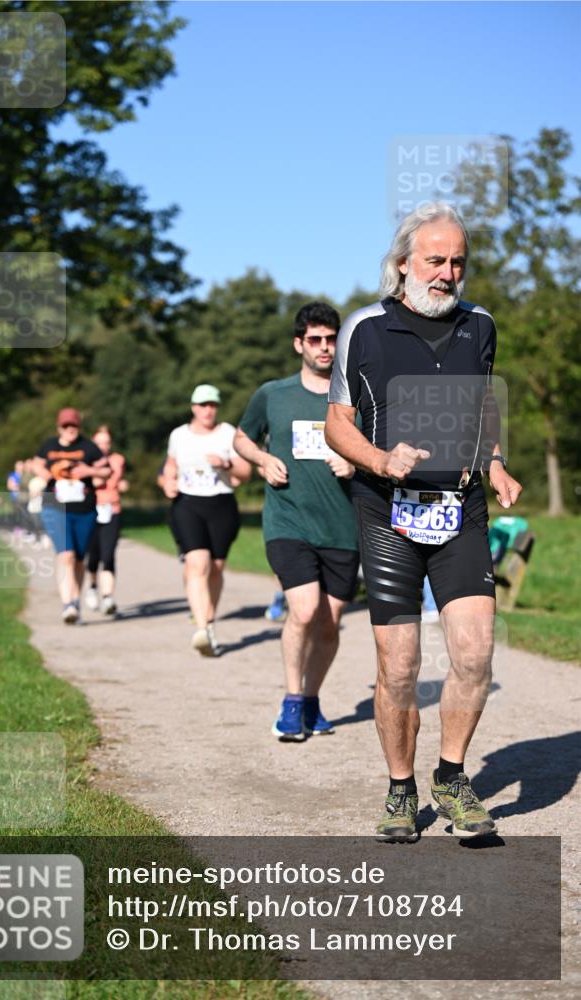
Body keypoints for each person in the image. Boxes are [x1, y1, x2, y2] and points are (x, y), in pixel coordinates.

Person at [325, 202, 522, 840]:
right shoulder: (364, 329)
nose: (447, 273)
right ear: (403, 263)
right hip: (387, 512)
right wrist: (380, 459)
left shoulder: (481, 327)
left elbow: (483, 407)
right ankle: (401, 789)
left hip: (461, 507)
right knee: (401, 664)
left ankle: (453, 777)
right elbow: (338, 424)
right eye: (434, 260)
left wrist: (494, 461)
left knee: (474, 653)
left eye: (457, 262)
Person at [234, 302, 360, 740]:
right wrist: (262, 459)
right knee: (304, 611)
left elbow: (382, 454)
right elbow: (241, 436)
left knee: (330, 621)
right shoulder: (273, 393)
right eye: (316, 340)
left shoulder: (357, 396)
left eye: (332, 340)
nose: (325, 348)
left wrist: (356, 465)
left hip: (344, 527)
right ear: (298, 344)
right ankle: (290, 702)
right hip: (288, 522)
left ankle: (311, 698)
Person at [159, 384, 251, 656]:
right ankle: (201, 628)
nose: (207, 410)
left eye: (212, 405)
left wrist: (225, 464)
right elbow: (170, 467)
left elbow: (245, 473)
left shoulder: (228, 433)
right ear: (193, 407)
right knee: (197, 563)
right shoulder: (179, 435)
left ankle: (209, 623)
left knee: (216, 568)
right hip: (187, 503)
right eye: (202, 405)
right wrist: (167, 483)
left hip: (221, 503)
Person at [32, 408, 111, 624]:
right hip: (54, 506)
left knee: (78, 559)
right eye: (66, 426)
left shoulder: (89, 447)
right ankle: (68, 604)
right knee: (65, 556)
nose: (70, 430)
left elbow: (106, 471)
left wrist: (89, 471)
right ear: (59, 427)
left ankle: (75, 601)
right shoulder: (49, 446)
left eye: (73, 426)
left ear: (79, 427)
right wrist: (46, 473)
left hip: (84, 509)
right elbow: (35, 463)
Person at [85, 426, 128, 616]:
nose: (103, 447)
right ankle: (93, 586)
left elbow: (118, 479)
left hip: (112, 509)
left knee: (108, 554)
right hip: (91, 510)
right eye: (99, 443)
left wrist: (122, 484)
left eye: (106, 443)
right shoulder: (85, 460)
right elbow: (93, 483)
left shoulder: (118, 460)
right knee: (93, 556)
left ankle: (108, 597)